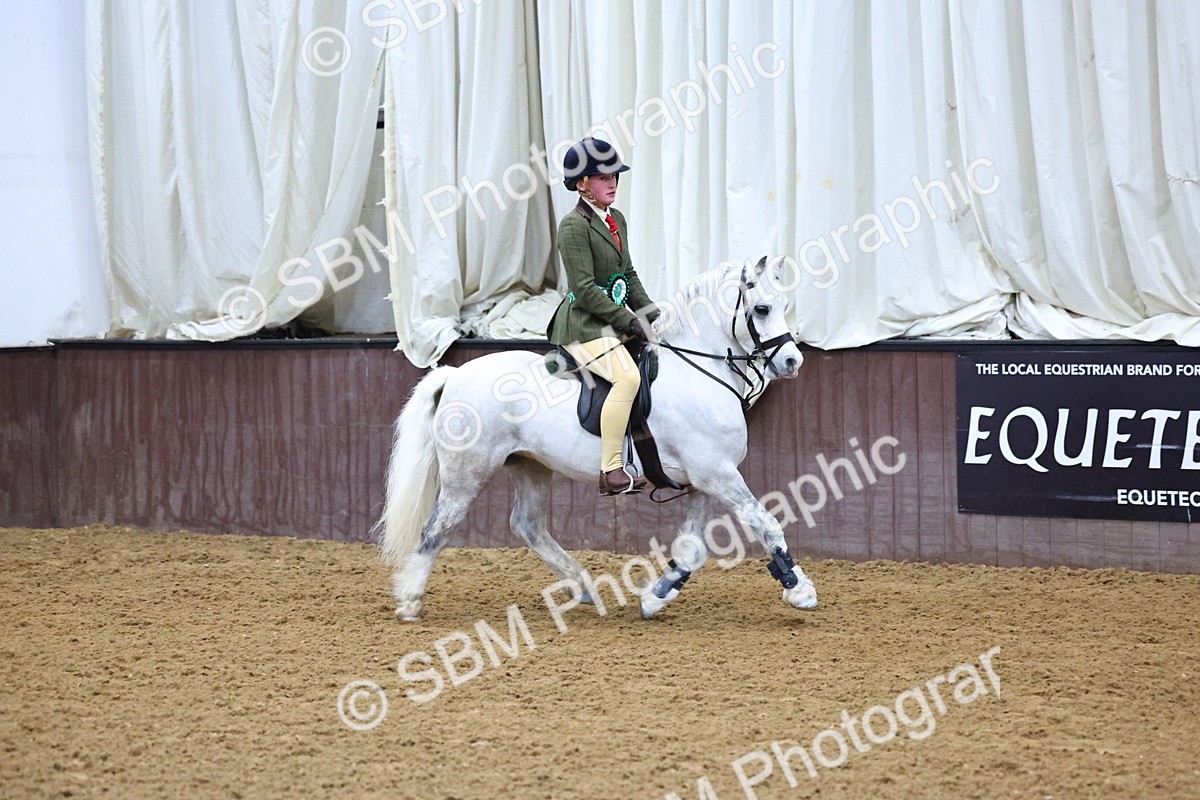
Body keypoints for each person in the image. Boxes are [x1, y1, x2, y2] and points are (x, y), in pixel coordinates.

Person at [547, 137, 659, 496]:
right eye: (602, 177)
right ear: (582, 185)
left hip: (608, 321)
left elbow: (626, 275)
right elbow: (586, 289)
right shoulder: (572, 226)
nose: (612, 183)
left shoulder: (616, 219)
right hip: (581, 325)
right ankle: (611, 470)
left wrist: (650, 312)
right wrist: (629, 321)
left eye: (615, 176)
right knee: (627, 379)